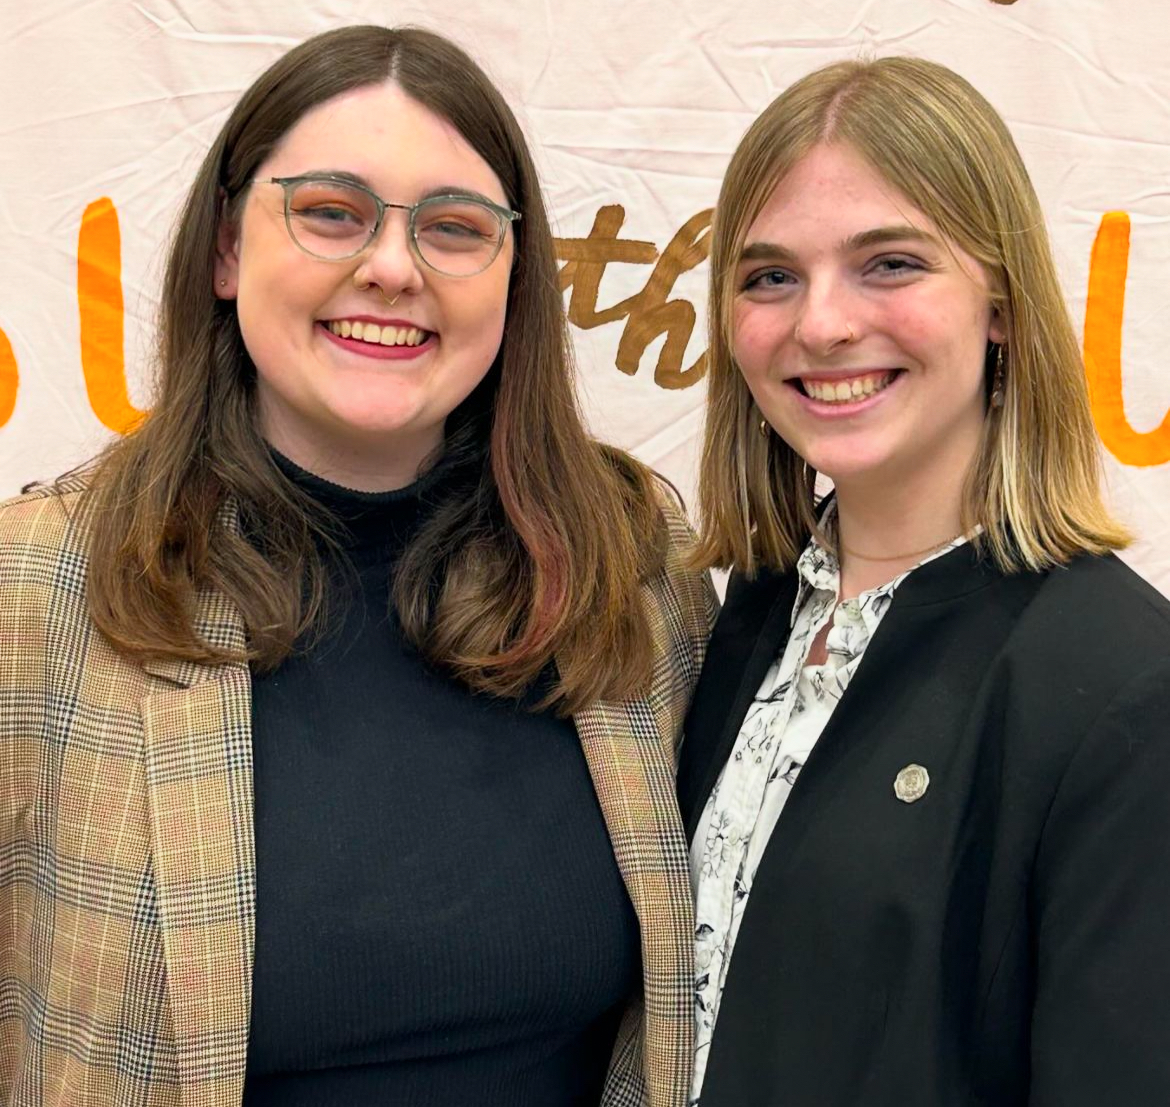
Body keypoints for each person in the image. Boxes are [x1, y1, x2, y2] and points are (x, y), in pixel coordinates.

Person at [0, 26, 715, 1107]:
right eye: (331, 212)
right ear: (227, 249)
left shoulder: (629, 554)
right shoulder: (38, 584)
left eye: (456, 228)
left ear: (515, 278)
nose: (392, 266)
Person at [677, 56, 1170, 1107]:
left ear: (999, 301)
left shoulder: (1129, 685)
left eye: (889, 263)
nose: (821, 324)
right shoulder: (749, 616)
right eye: (769, 276)